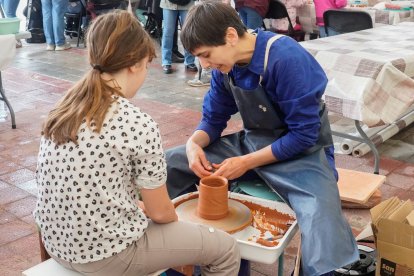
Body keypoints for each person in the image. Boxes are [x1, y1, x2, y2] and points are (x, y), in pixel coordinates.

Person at [34, 10, 240, 276]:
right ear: (134, 63)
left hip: (57, 242)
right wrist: (179, 228)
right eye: (146, 65)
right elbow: (162, 214)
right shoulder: (136, 123)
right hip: (103, 256)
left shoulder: (64, 107)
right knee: (225, 249)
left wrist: (136, 207)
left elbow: (94, 181)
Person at [166, 2, 359, 275]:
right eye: (200, 58)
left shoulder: (286, 58)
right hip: (254, 142)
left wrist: (245, 163)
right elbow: (213, 119)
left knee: (322, 221)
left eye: (206, 55)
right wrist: (193, 144)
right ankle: (170, 255)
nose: (205, 64)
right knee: (170, 164)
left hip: (303, 153)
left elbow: (303, 135)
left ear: (231, 36)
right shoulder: (226, 66)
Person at [160, 0, 197, 74]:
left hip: (188, 4)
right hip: (168, 4)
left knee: (188, 32)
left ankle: (189, 61)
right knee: (168, 33)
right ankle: (166, 62)